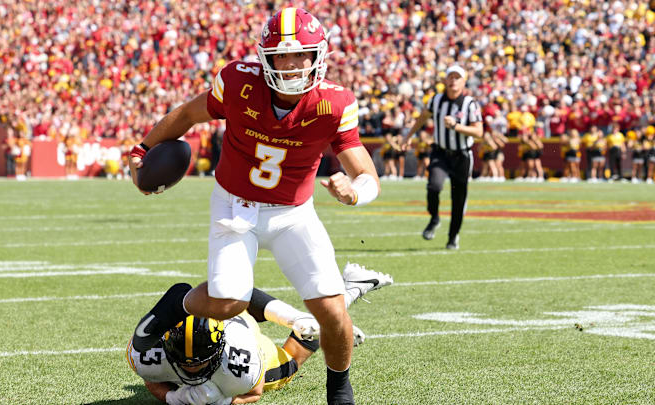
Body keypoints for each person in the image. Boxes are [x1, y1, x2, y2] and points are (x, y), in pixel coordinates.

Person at [128, 8, 381, 405]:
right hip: (234, 208)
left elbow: (364, 171)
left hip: (293, 214)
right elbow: (190, 114)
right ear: (267, 58)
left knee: (331, 311)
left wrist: (355, 191)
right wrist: (143, 149)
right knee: (228, 301)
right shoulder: (238, 82)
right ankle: (178, 300)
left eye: (301, 55)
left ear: (318, 56)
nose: (293, 64)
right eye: (282, 55)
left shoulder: (334, 103)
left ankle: (340, 390)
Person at [127, 263, 392, 405]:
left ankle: (350, 293)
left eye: (199, 364)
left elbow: (254, 392)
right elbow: (151, 379)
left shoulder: (241, 361)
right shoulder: (148, 354)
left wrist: (227, 400)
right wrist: (171, 397)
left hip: (242, 330)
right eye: (184, 364)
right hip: (221, 316)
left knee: (289, 363)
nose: (192, 371)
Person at [402, 65, 483, 250]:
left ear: (464, 82)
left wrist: (456, 126)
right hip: (441, 151)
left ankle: (453, 236)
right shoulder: (436, 99)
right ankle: (435, 217)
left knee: (458, 198)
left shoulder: (470, 103)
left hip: (462, 155)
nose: (453, 80)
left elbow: (479, 132)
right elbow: (422, 117)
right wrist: (408, 136)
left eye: (457, 77)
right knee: (434, 186)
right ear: (446, 80)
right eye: (451, 77)